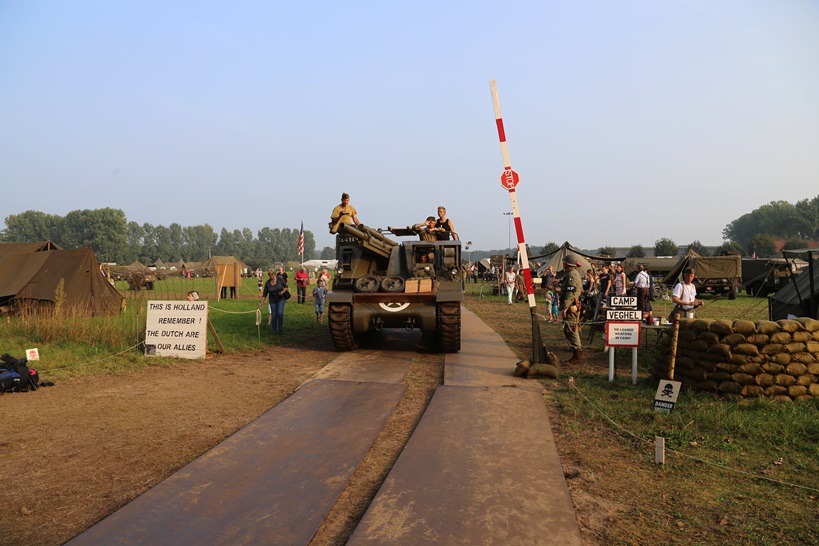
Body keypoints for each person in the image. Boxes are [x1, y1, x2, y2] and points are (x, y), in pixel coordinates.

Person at [560, 254, 584, 363]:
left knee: (570, 330)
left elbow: (570, 293)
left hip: (571, 306)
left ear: (568, 264)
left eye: (564, 262)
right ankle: (577, 351)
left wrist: (565, 308)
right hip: (573, 304)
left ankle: (577, 355)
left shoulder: (572, 275)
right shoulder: (572, 273)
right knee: (572, 329)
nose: (563, 263)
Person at [259, 268, 288, 334]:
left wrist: (283, 291)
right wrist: (262, 302)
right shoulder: (267, 283)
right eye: (270, 275)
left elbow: (286, 286)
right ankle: (274, 330)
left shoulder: (280, 279)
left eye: (272, 275)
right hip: (272, 300)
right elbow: (265, 293)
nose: (271, 276)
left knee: (279, 313)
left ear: (275, 274)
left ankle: (280, 328)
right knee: (274, 315)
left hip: (281, 299)